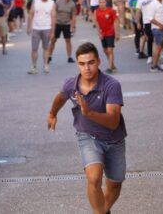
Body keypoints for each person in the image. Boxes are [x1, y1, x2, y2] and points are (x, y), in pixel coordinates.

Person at [47, 42, 127, 214]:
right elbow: (60, 98)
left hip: (115, 139)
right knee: (94, 178)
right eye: (82, 64)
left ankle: (102, 210)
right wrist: (52, 114)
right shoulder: (71, 85)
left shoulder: (111, 85)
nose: (87, 68)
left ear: (98, 61)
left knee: (114, 185)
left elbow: (113, 122)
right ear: (77, 64)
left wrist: (88, 112)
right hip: (88, 137)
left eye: (91, 62)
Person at [26, 0, 55, 74]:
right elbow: (31, 14)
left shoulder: (52, 3)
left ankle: (45, 65)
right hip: (36, 28)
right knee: (34, 49)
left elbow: (53, 17)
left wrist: (53, 32)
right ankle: (34, 66)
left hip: (47, 28)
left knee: (46, 48)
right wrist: (28, 26)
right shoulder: (35, 1)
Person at [48, 0, 76, 64]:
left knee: (68, 40)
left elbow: (73, 16)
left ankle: (69, 57)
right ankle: (49, 56)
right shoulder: (58, 2)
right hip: (57, 23)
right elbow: (53, 12)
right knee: (53, 40)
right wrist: (51, 24)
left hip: (67, 24)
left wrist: (73, 27)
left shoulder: (72, 4)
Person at [94, 0, 120, 74]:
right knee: (105, 51)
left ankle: (110, 68)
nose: (102, 4)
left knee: (110, 50)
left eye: (103, 2)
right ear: (98, 4)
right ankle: (112, 65)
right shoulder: (96, 11)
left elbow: (116, 22)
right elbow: (97, 23)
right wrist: (99, 33)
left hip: (110, 32)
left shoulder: (111, 11)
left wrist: (117, 33)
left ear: (106, 3)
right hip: (103, 33)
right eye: (100, 2)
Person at [136, 0, 154, 64]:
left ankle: (156, 55)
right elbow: (138, 12)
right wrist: (138, 22)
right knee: (149, 39)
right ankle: (150, 56)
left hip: (156, 21)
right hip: (147, 22)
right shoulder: (140, 0)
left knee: (156, 39)